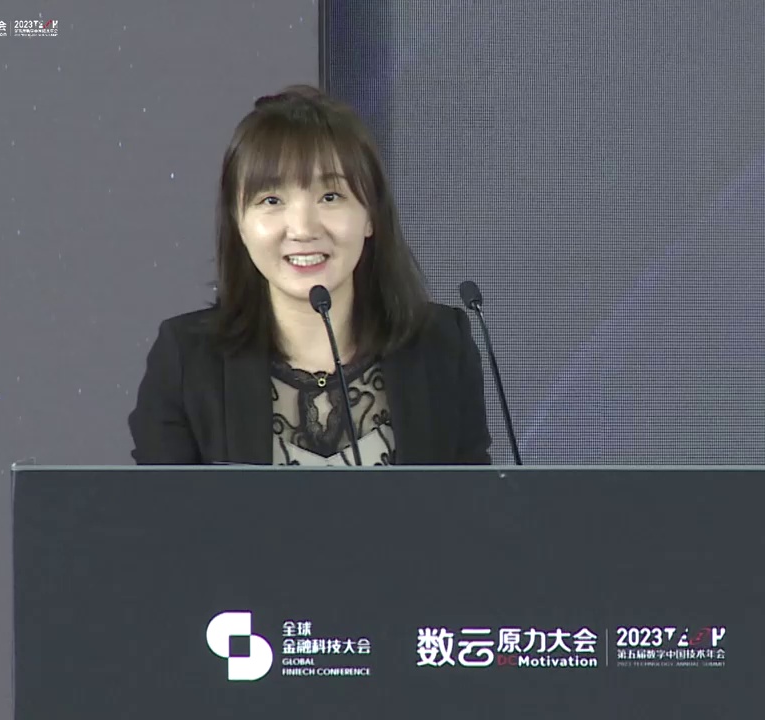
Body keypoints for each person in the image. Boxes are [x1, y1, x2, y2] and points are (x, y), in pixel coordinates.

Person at [128, 85, 492, 466]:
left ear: (370, 216)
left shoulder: (441, 348)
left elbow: (473, 500)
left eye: (330, 197)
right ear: (239, 224)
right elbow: (159, 505)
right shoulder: (186, 362)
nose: (302, 229)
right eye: (272, 200)